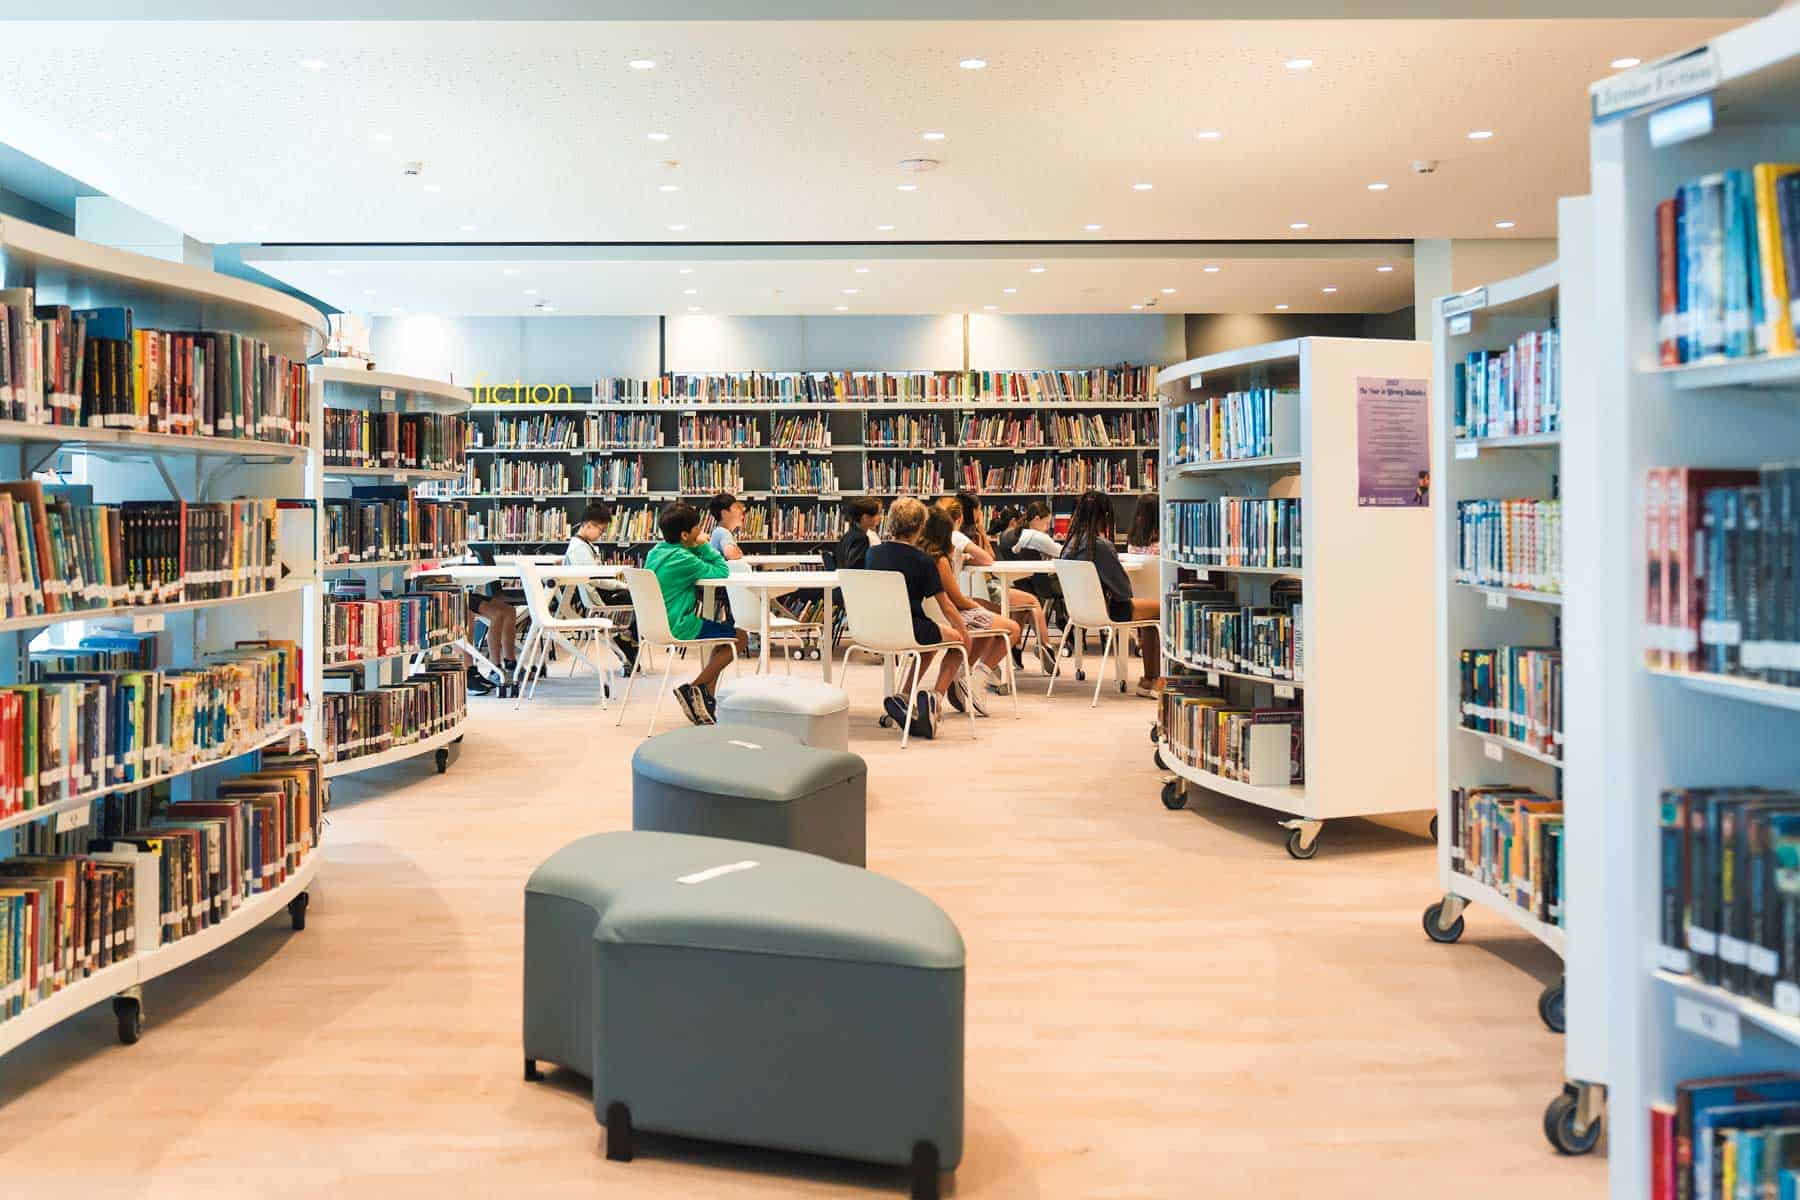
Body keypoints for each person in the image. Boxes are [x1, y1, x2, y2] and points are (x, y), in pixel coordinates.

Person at [865, 497, 966, 740]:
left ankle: (904, 696)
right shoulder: (923, 561)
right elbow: (946, 605)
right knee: (956, 641)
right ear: (920, 526)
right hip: (910, 628)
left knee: (931, 641)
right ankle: (935, 699)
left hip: (874, 629)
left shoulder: (873, 553)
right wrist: (963, 631)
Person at [644, 503, 748, 725]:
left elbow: (686, 556)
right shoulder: (686, 560)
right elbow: (722, 570)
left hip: (655, 625)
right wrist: (704, 546)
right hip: (680, 625)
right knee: (740, 637)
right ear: (685, 535)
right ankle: (694, 688)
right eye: (697, 528)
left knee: (723, 638)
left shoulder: (657, 552)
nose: (701, 531)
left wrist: (694, 545)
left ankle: (705, 699)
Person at [1061, 489, 1163, 697]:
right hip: (1110, 610)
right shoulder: (1101, 546)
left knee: (1149, 616)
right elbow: (1123, 591)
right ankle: (1152, 680)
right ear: (1105, 516)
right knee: (1160, 611)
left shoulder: (1070, 544)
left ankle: (1149, 679)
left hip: (1078, 612)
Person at [920, 508, 1020, 712]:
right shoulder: (940, 561)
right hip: (950, 616)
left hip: (929, 615)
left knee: (987, 630)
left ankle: (961, 677)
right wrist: (978, 607)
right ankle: (975, 681)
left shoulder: (920, 555)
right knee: (1013, 629)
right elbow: (957, 600)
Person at [948, 493, 1056, 675]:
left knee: (1021, 607)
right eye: (979, 510)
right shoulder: (968, 537)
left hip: (968, 592)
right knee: (1031, 601)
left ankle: (1016, 648)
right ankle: (1045, 646)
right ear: (974, 512)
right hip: (984, 591)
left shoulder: (952, 538)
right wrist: (981, 531)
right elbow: (989, 557)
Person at [563, 500, 636, 670]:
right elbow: (594, 579)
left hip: (600, 591)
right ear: (589, 525)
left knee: (637, 597)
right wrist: (620, 585)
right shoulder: (579, 549)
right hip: (599, 596)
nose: (602, 534)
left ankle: (628, 638)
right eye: (601, 530)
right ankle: (628, 639)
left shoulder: (583, 545)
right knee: (639, 598)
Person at [835, 496, 882, 571]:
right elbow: (857, 569)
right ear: (865, 518)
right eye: (878, 514)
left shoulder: (848, 535)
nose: (880, 517)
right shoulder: (861, 539)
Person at [708, 492, 747, 561]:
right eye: (736, 507)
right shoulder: (722, 532)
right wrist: (738, 552)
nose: (741, 510)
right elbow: (731, 554)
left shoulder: (720, 531)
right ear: (724, 513)